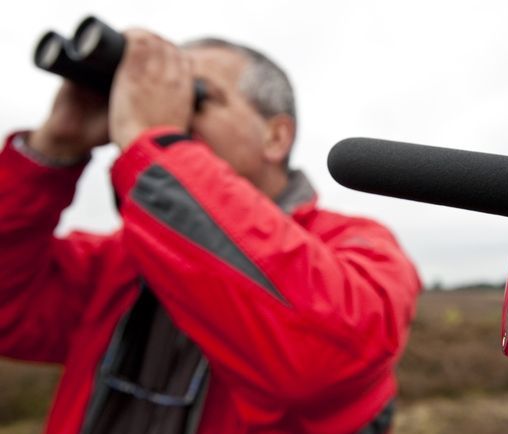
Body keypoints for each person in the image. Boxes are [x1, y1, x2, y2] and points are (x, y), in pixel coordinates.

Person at [0, 27, 421, 434]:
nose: (174, 115)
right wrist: (50, 151)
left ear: (276, 136)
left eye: (196, 99)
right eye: (167, 96)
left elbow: (320, 365)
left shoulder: (357, 248)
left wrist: (156, 144)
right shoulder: (117, 263)